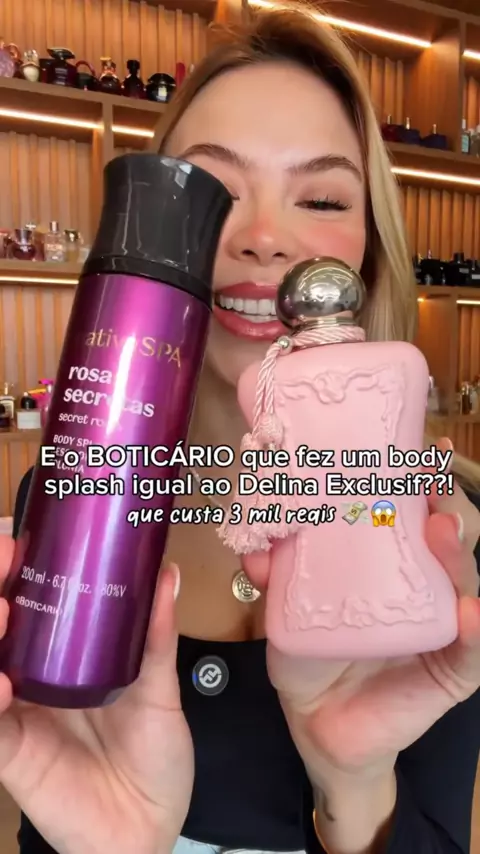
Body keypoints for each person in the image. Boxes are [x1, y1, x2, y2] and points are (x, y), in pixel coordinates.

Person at [1, 4, 480, 854]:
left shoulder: (442, 532)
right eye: (213, 191)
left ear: (370, 248)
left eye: (321, 197)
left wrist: (354, 784)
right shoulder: (68, 509)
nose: (263, 239)